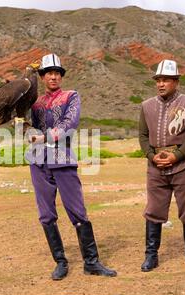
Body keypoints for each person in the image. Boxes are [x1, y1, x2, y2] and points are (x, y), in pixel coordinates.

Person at [27, 53, 117, 280]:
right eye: (49, 73)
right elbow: (28, 128)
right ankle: (60, 262)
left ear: (61, 76)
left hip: (63, 159)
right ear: (42, 76)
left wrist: (43, 136)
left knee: (77, 211)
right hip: (38, 162)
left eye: (57, 73)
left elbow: (70, 124)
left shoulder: (71, 96)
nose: (54, 77)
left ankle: (92, 261)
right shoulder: (34, 102)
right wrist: (24, 129)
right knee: (46, 214)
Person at [138, 59, 185, 272]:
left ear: (176, 81)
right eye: (158, 79)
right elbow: (142, 135)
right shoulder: (146, 106)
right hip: (155, 166)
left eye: (166, 79)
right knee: (154, 210)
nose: (161, 84)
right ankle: (151, 256)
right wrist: (150, 155)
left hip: (183, 165)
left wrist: (177, 156)